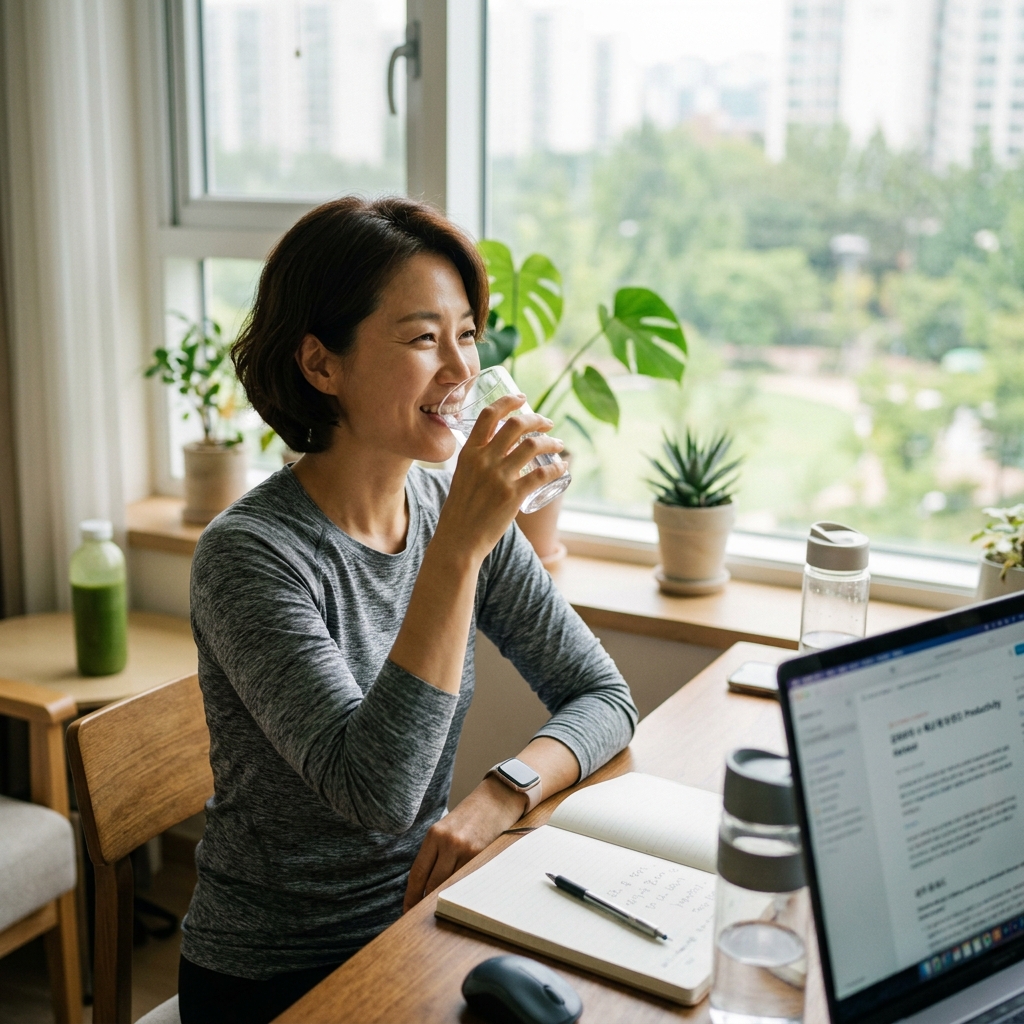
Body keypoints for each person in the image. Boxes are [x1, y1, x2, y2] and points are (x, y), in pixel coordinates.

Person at [176, 196, 638, 1024]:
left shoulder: (442, 507)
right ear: (322, 365)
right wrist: (458, 550)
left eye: (467, 334)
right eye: (425, 339)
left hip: (422, 923)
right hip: (278, 975)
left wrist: (501, 792)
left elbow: (604, 697)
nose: (461, 370)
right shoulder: (250, 557)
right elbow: (379, 796)